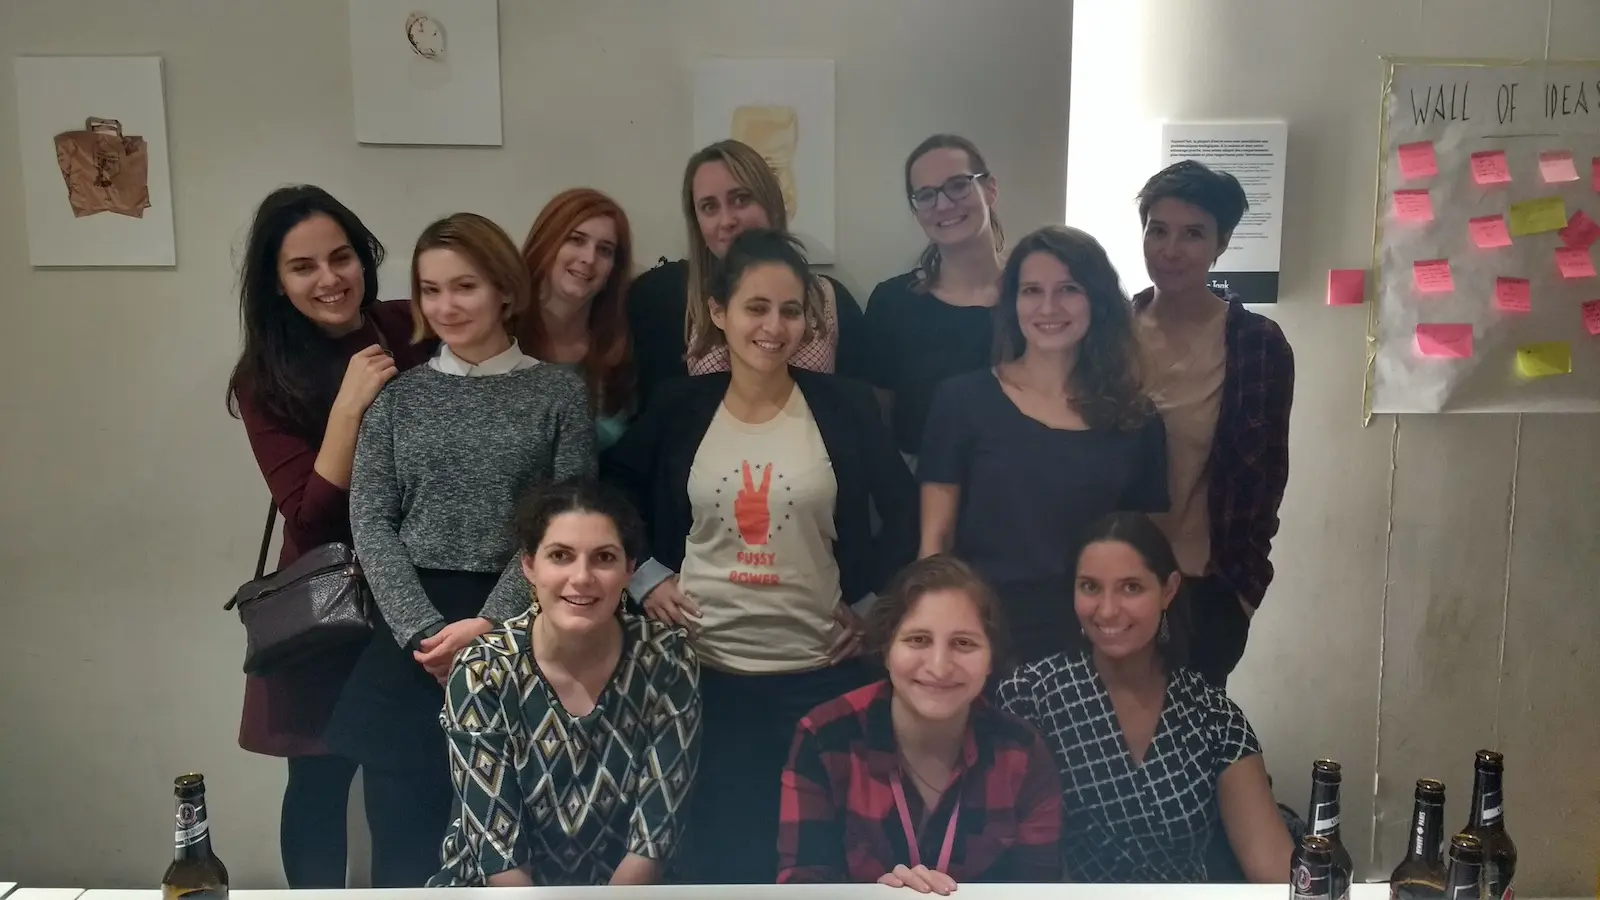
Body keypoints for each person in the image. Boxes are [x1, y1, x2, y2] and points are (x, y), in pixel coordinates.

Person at [602, 228, 917, 883]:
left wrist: (873, 606)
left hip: (822, 677)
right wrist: (644, 576)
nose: (775, 326)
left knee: (819, 862)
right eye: (756, 307)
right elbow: (611, 490)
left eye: (791, 310)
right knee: (725, 860)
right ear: (718, 312)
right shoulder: (679, 405)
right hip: (705, 679)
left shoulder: (845, 404)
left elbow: (907, 511)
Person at [326, 212, 596, 886]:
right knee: (404, 851)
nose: (446, 306)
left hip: (523, 627)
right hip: (411, 641)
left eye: (465, 286)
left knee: (517, 851)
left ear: (504, 290)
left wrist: (491, 625)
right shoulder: (400, 396)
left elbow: (567, 523)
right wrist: (424, 631)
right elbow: (371, 519)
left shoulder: (558, 391)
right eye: (431, 290)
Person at [225, 184, 435, 889]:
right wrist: (348, 406)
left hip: (422, 594)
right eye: (303, 267)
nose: (329, 279)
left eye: (341, 256)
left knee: (410, 789)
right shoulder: (264, 378)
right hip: (331, 612)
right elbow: (308, 517)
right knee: (317, 792)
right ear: (277, 284)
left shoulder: (412, 327)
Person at [429, 477, 700, 887]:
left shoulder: (667, 660)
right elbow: (500, 859)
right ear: (529, 566)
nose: (582, 577)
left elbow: (652, 843)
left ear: (630, 569)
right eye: (560, 556)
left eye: (604, 558)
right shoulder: (483, 669)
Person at [917, 225, 1169, 666]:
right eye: (1032, 290)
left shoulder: (1136, 418)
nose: (1048, 307)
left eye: (1068, 289)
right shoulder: (962, 400)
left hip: (1093, 637)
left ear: (1097, 299)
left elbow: (1136, 553)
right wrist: (935, 638)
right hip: (982, 634)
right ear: (1012, 303)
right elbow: (935, 543)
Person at [996, 512, 1293, 884]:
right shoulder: (1030, 696)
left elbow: (1276, 872)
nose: (1107, 609)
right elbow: (996, 853)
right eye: (1090, 587)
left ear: (1168, 590)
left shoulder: (1214, 717)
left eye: (1131, 587)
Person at [778, 555, 1062, 893]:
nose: (939, 667)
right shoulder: (824, 737)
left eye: (964, 643)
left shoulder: (1022, 753)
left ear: (991, 659)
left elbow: (1039, 892)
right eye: (918, 640)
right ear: (886, 649)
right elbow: (801, 887)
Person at [1129, 160, 1295, 688]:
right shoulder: (1106, 333)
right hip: (1109, 585)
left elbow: (1268, 478)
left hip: (1203, 591)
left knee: (1187, 755)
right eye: (1158, 230)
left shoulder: (1257, 345)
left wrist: (1243, 594)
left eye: (1193, 234)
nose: (1170, 249)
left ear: (1221, 245)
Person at [626, 139, 868, 413]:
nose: (727, 220)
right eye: (709, 207)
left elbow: (859, 414)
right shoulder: (660, 297)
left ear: (771, 203)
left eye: (740, 199)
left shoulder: (832, 300)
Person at [863, 134, 1003, 464]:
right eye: (925, 195)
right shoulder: (891, 304)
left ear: (990, 189)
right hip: (918, 496)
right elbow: (879, 423)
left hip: (1021, 493)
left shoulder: (1037, 299)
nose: (942, 204)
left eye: (958, 185)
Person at [516, 187, 637, 451]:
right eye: (576, 240)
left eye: (605, 250)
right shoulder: (493, 331)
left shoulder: (621, 349)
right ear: (546, 243)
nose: (589, 258)